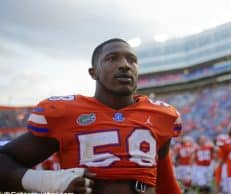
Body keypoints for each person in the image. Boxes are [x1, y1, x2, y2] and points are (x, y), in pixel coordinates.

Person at [0, 38, 182, 194]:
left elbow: (165, 182)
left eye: (131, 60)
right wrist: (50, 182)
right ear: (93, 72)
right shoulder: (65, 113)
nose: (125, 65)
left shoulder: (161, 115)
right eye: (112, 58)